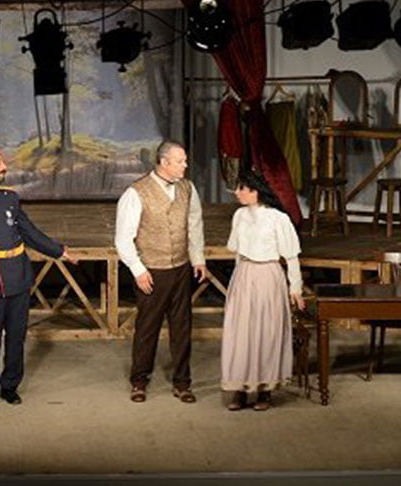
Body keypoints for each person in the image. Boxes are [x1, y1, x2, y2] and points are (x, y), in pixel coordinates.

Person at [0, 145, 76, 405]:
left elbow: (29, 232)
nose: (4, 166)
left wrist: (58, 250)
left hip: (19, 276)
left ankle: (10, 385)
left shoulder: (10, 197)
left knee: (16, 337)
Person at [114, 141, 207, 404]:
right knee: (147, 328)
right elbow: (123, 238)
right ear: (164, 162)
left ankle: (182, 383)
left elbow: (194, 224)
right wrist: (138, 270)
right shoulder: (136, 193)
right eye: (180, 161)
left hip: (180, 268)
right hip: (152, 271)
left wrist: (198, 258)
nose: (185, 165)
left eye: (185, 160)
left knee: (182, 328)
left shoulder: (187, 188)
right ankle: (139, 381)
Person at [221, 170, 306, 411]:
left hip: (268, 275)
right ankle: (240, 388)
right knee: (241, 333)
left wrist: (295, 288)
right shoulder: (239, 216)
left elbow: (291, 257)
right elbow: (238, 253)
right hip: (244, 275)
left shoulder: (278, 219)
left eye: (241, 188)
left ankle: (264, 390)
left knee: (266, 332)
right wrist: (236, 282)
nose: (237, 193)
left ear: (255, 192)